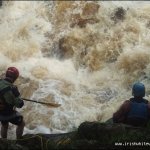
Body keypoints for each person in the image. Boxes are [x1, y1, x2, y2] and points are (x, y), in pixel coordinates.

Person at [0, 67, 25, 139]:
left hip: (0, 113)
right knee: (21, 123)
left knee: (4, 125)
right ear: (15, 78)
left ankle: (4, 141)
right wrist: (16, 95)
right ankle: (19, 141)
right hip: (5, 113)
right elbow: (20, 104)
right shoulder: (12, 88)